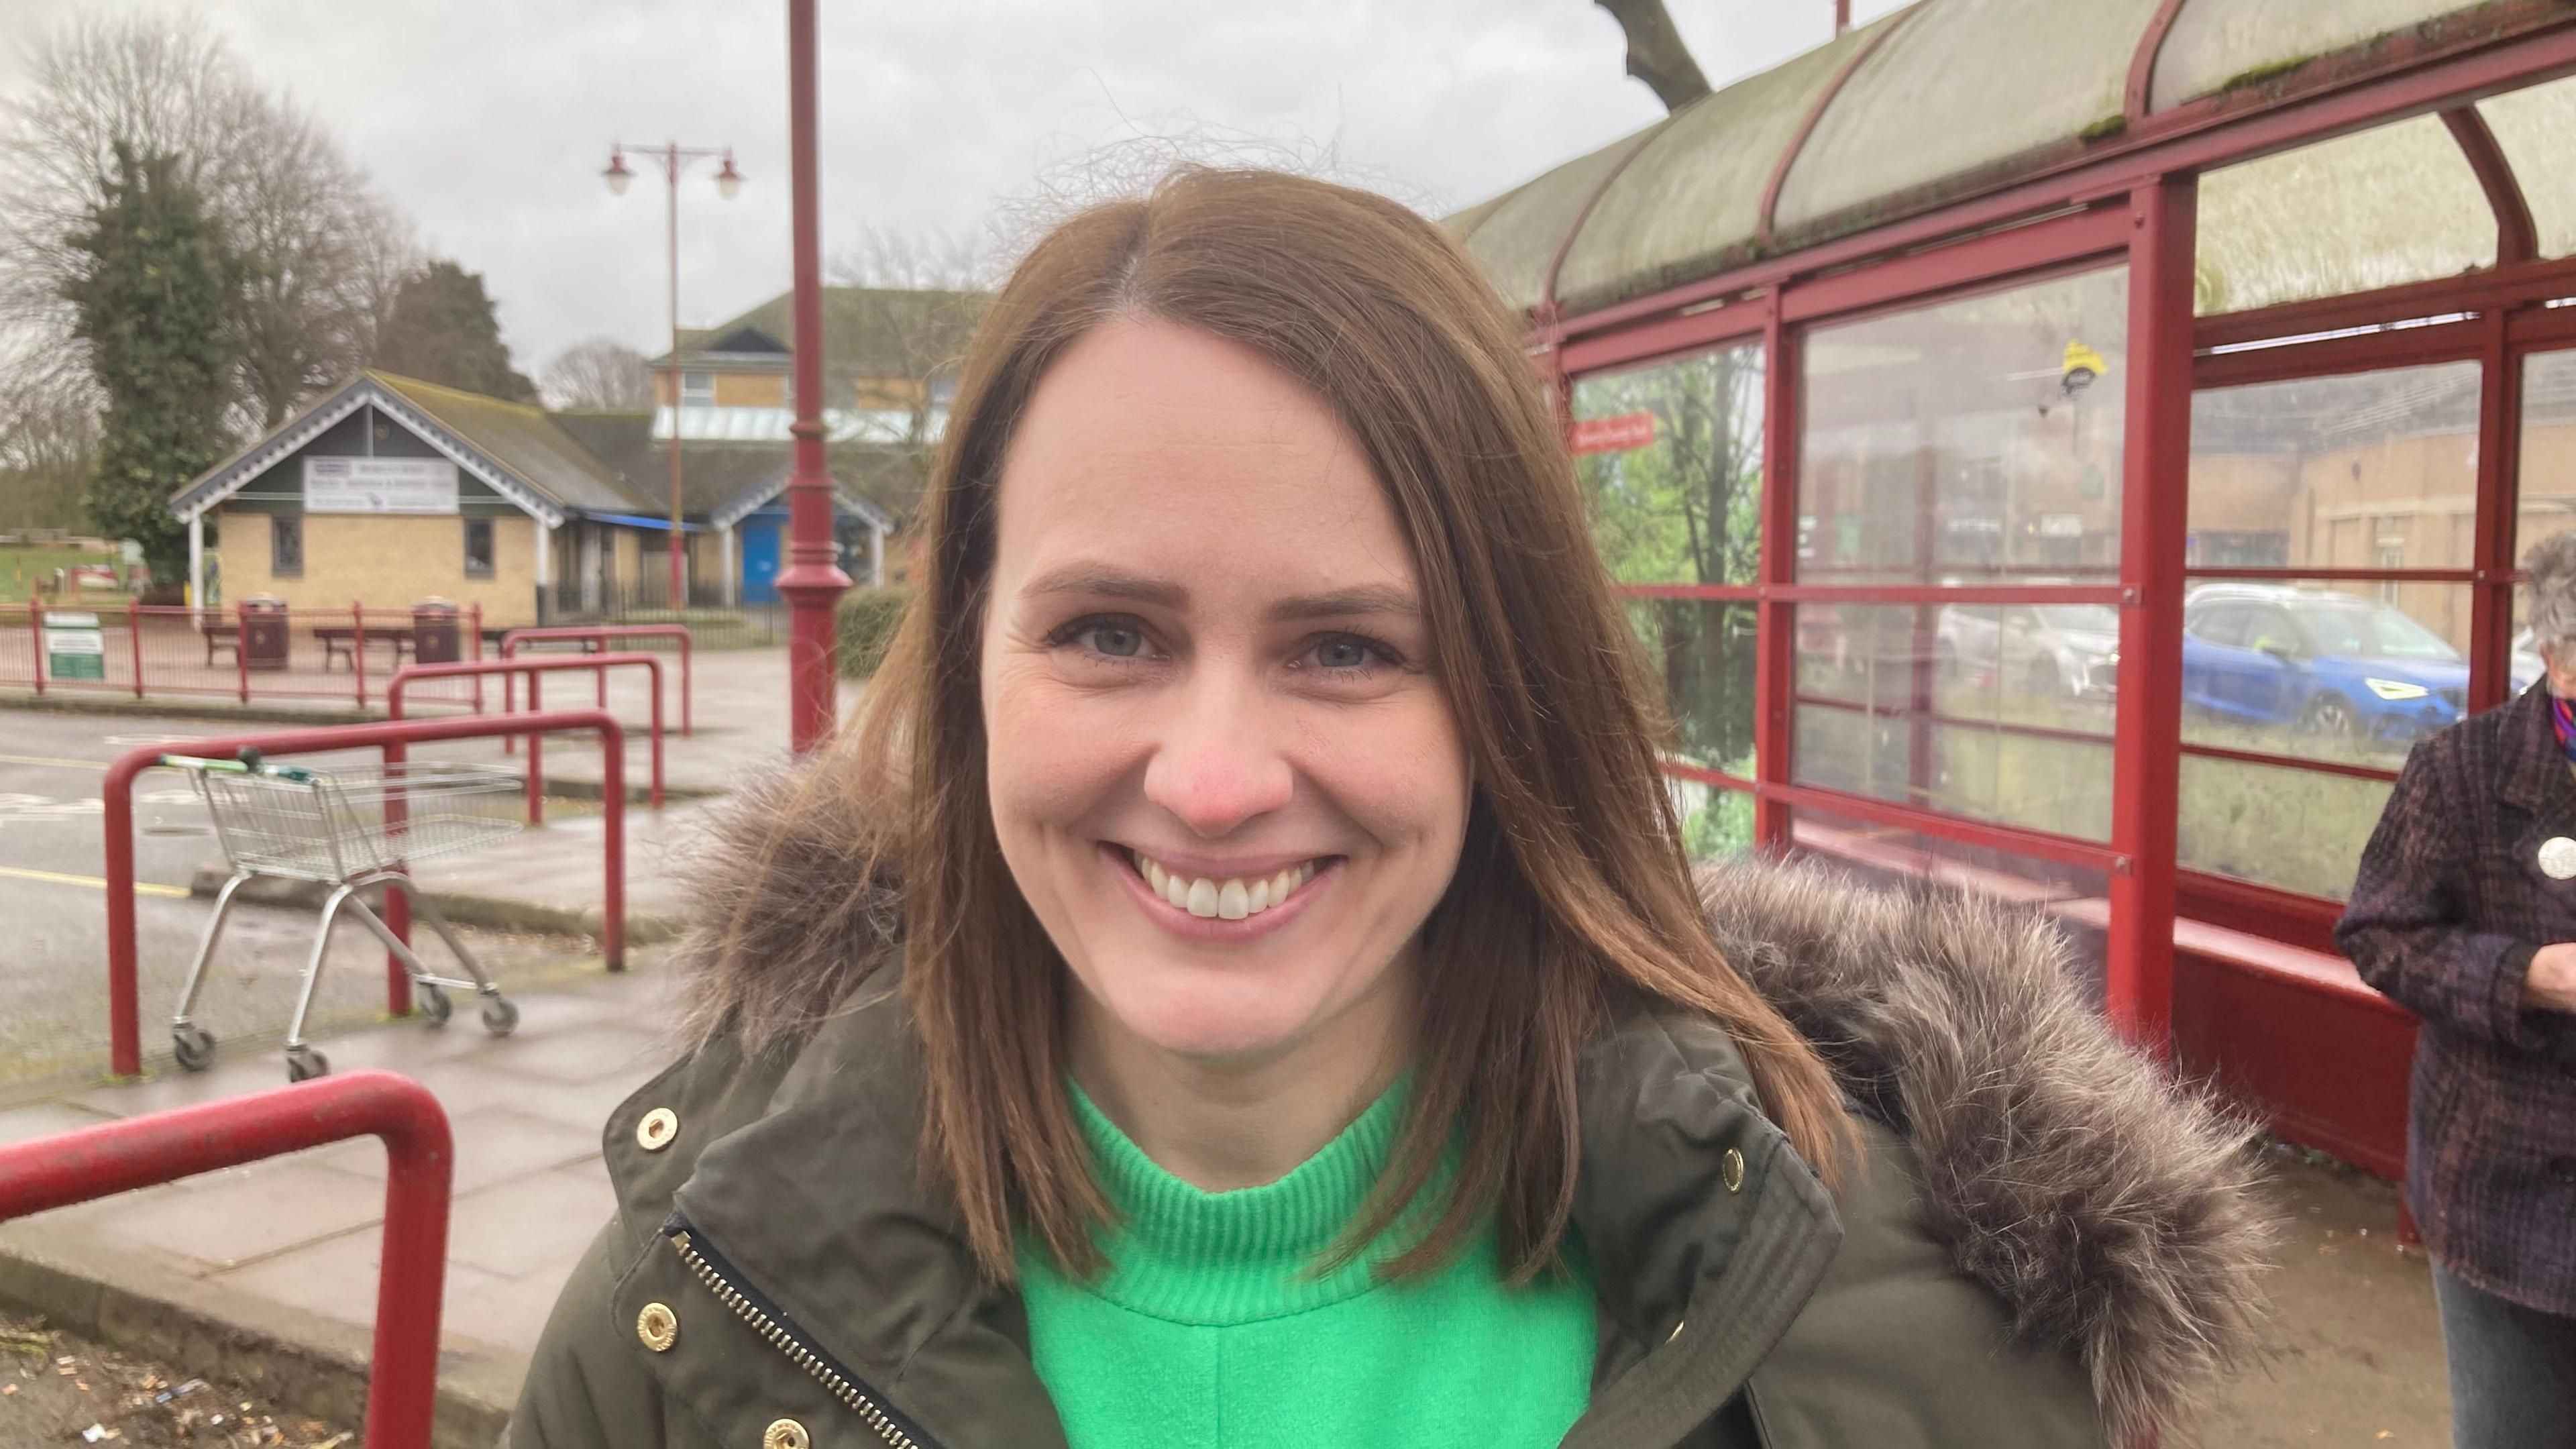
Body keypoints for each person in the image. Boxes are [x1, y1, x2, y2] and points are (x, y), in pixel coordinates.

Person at [508, 169, 2267, 1449]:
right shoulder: (688, 1317)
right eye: (1109, 633)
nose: (1210, 781)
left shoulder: (1927, 1352)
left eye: (1347, 649)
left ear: (1515, 703)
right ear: (967, 672)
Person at [2339, 534, 2576, 1449]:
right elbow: (2380, 933)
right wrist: (2526, 978)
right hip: (2506, 1198)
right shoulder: (2459, 772)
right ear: (2555, 659)